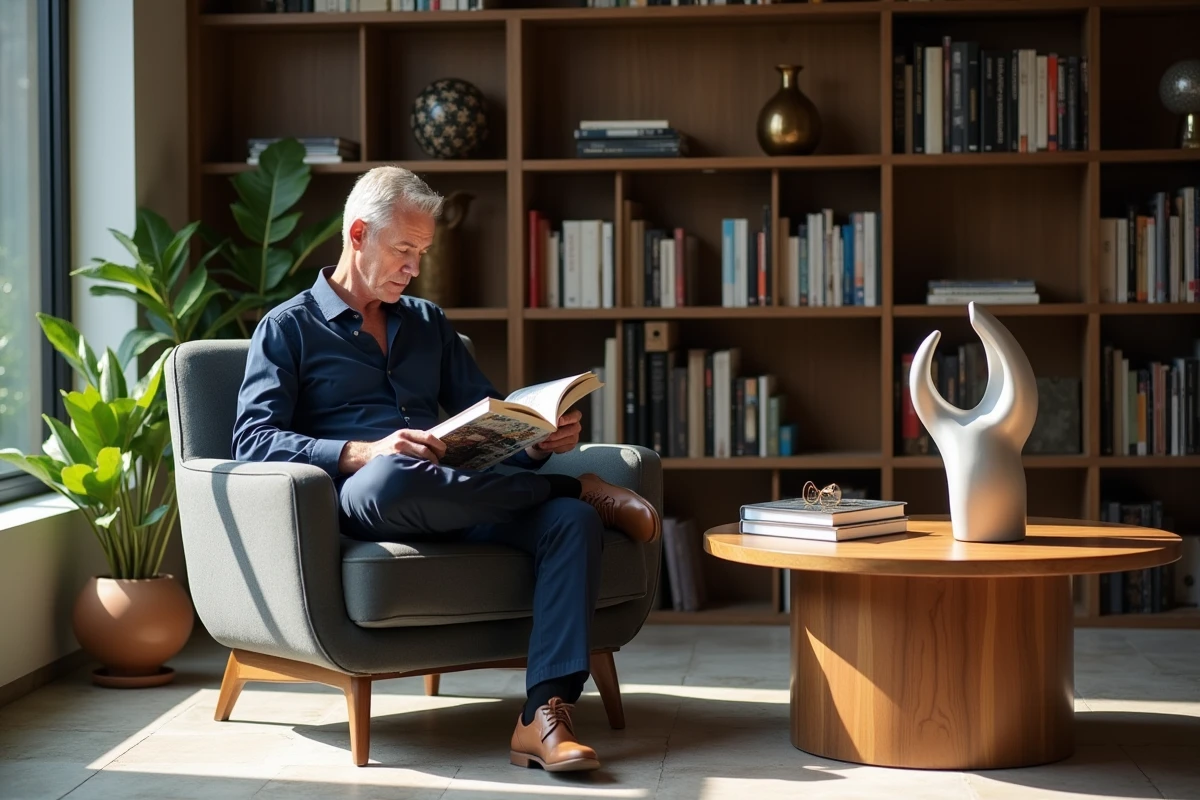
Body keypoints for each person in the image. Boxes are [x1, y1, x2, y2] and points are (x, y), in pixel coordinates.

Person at [230, 165, 660, 773]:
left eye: (421, 252)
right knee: (391, 476)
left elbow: (489, 419)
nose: (414, 267)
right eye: (404, 249)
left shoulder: (428, 323)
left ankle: (543, 716)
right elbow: (252, 440)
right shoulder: (288, 328)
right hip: (369, 500)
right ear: (358, 234)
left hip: (461, 495)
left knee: (570, 523)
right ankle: (575, 489)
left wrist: (539, 441)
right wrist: (363, 451)